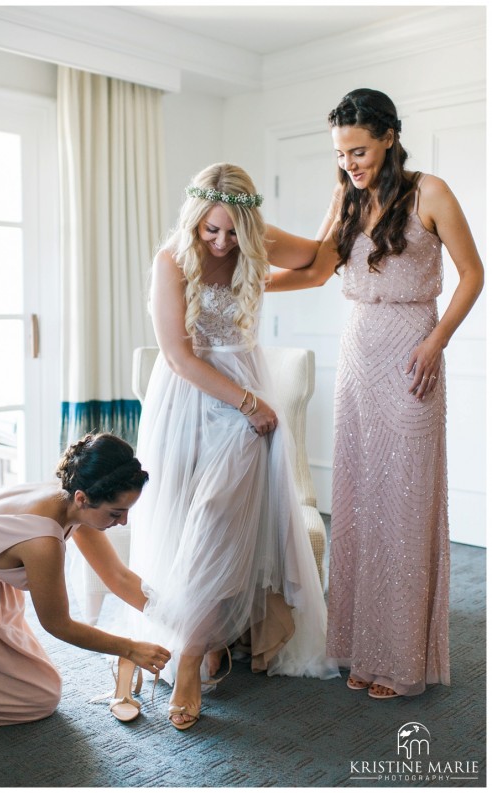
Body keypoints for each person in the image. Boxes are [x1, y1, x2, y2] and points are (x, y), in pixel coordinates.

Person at [267, 88, 484, 699]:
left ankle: (401, 658)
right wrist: (248, 285)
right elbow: (314, 268)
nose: (350, 164)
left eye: (358, 150)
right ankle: (361, 647)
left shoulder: (430, 191)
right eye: (341, 154)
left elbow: (473, 274)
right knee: (360, 503)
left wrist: (437, 340)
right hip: (359, 355)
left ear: (388, 136)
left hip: (413, 350)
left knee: (405, 506)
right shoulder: (347, 196)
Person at [125, 162, 339, 731]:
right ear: (195, 220)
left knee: (219, 514)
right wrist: (247, 403)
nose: (221, 241)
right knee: (184, 518)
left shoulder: (255, 242)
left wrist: (342, 192)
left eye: (232, 232)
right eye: (210, 230)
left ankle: (193, 655)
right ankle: (205, 635)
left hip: (247, 401)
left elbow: (320, 264)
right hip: (190, 398)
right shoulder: (171, 259)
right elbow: (177, 356)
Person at [0, 432, 171, 727]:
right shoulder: (42, 541)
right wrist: (129, 648)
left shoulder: (74, 498)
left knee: (32, 679)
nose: (123, 522)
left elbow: (118, 576)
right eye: (117, 513)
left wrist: (175, 616)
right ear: (82, 499)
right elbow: (57, 623)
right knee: (41, 696)